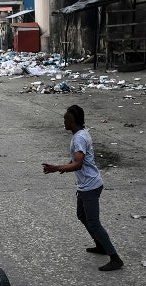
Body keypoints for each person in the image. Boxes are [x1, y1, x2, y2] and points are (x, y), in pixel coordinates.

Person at [42, 105, 124, 272]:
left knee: (93, 222)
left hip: (90, 186)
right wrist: (66, 166)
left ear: (72, 121)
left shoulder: (79, 138)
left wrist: (57, 168)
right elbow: (77, 161)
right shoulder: (81, 133)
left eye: (65, 119)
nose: (64, 121)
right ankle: (100, 245)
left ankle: (115, 258)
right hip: (86, 184)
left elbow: (78, 164)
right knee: (81, 215)